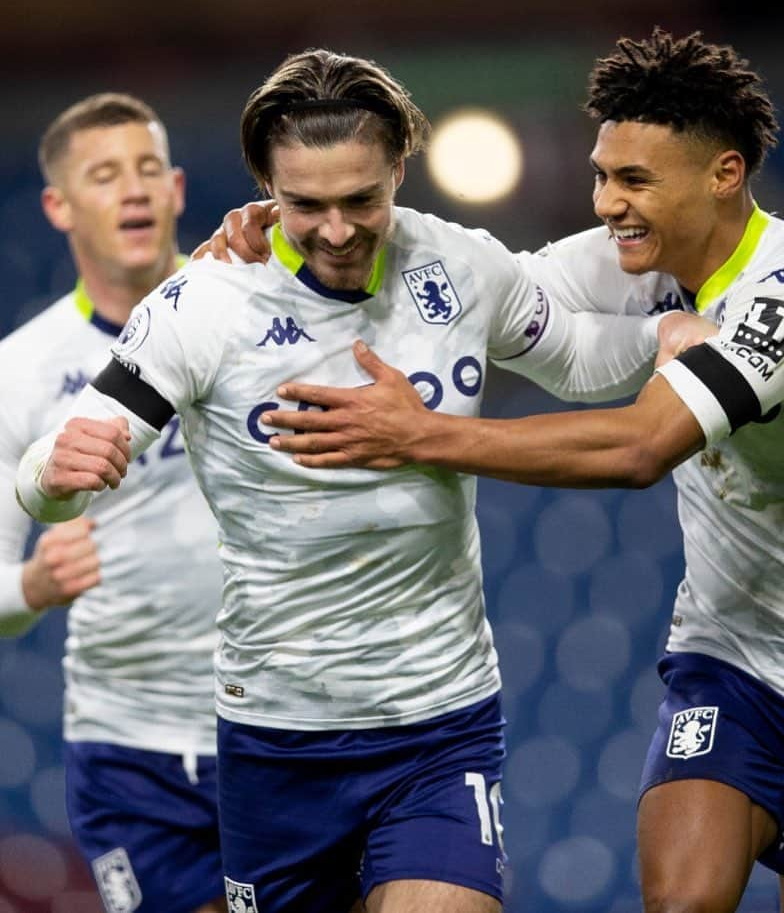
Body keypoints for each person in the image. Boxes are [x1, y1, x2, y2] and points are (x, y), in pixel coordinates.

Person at [231, 29, 784, 913]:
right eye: (603, 176)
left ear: (723, 176)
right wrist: (269, 262)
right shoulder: (630, 261)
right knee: (684, 902)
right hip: (731, 660)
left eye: (635, 181)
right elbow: (455, 297)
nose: (608, 204)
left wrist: (421, 436)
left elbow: (641, 448)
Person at [13, 48, 671, 913]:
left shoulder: (457, 265)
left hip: (440, 720)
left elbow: (577, 361)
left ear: (400, 167)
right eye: (305, 205)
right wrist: (51, 478)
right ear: (265, 189)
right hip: (278, 735)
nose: (335, 229)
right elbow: (62, 462)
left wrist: (671, 339)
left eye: (362, 199)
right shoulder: (205, 303)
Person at [0, 95, 226, 912]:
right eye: (103, 176)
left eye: (144, 171)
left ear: (173, 189)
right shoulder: (21, 372)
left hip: (287, 715)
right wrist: (33, 586)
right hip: (130, 745)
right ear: (59, 206)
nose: (131, 191)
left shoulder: (257, 321)